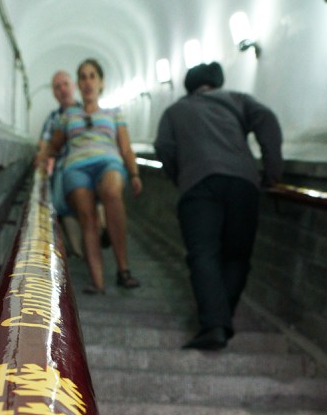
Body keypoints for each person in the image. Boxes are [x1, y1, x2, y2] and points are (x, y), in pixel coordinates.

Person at [154, 61, 283, 349]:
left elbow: (163, 146)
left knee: (204, 253)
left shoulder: (174, 111)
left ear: (189, 86)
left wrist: (181, 176)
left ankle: (215, 324)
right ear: (216, 82)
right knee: (237, 255)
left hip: (198, 186)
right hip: (243, 183)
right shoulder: (238, 100)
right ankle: (220, 319)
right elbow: (267, 119)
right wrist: (272, 172)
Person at [36, 58, 142, 294]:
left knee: (112, 193)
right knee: (88, 219)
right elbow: (53, 145)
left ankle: (123, 270)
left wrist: (134, 173)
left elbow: (125, 148)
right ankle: (98, 282)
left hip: (108, 162)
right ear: (79, 84)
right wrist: (41, 160)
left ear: (101, 83)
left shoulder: (114, 113)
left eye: (92, 76)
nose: (87, 81)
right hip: (77, 167)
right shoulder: (68, 116)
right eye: (83, 77)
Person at [38, 70, 84, 257]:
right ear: (54, 93)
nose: (63, 89)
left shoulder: (86, 110)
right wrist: (42, 159)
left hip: (85, 162)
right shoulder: (53, 118)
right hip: (62, 166)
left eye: (65, 84)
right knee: (59, 200)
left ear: (73, 86)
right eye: (58, 87)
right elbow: (44, 145)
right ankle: (78, 250)